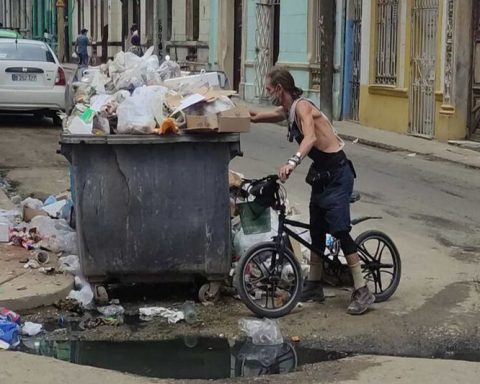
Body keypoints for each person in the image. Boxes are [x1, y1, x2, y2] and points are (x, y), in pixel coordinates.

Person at [250, 67, 375, 315]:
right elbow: (255, 116)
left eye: (268, 89)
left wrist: (292, 162)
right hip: (321, 176)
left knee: (339, 229)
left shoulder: (303, 107)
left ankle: (362, 289)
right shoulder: (286, 111)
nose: (267, 94)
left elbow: (309, 139)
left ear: (279, 88)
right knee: (316, 229)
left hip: (339, 174)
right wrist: (224, 107)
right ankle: (314, 286)